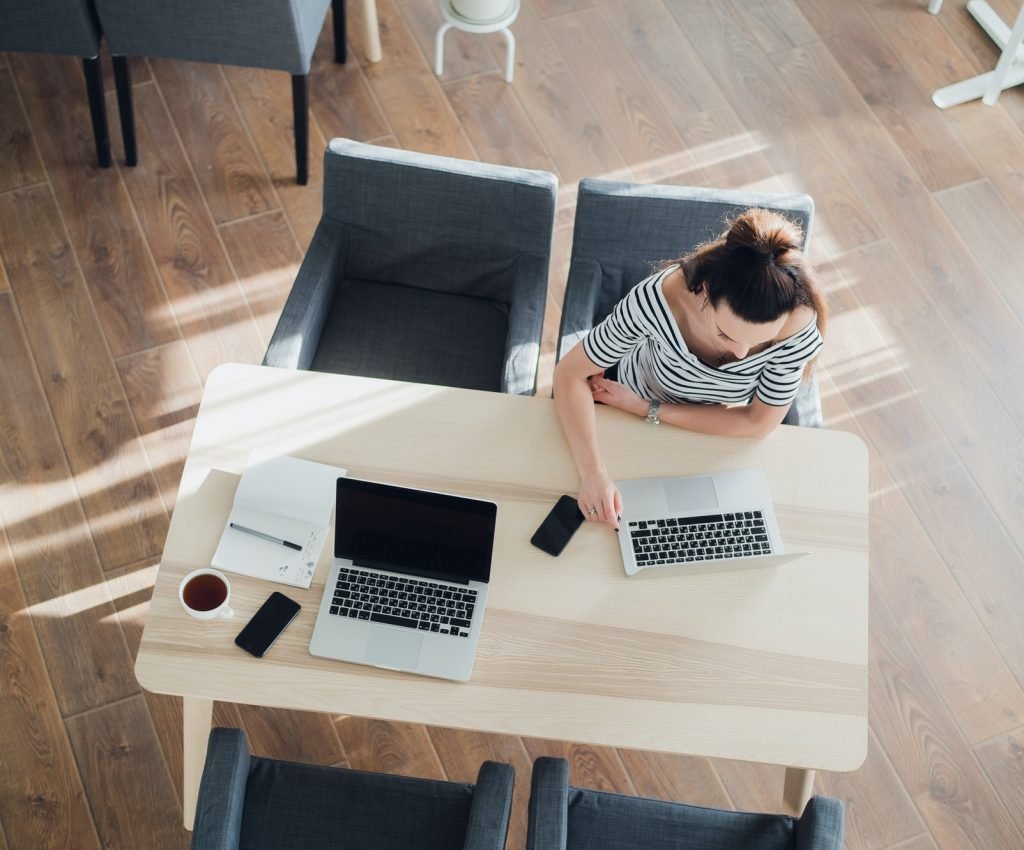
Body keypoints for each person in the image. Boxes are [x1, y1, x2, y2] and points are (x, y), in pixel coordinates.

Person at [552, 208, 827, 529]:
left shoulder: (797, 325)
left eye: (759, 343)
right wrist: (593, 474)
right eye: (726, 334)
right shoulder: (656, 300)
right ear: (706, 292)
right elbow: (569, 373)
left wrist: (648, 409)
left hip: (700, 429)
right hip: (621, 408)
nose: (740, 355)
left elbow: (758, 423)